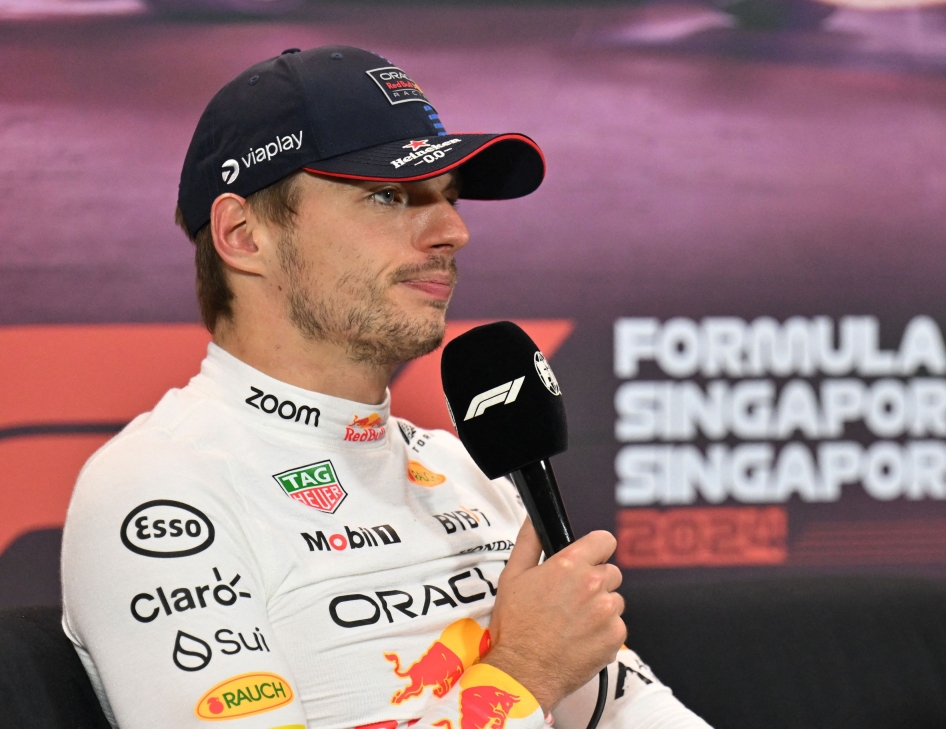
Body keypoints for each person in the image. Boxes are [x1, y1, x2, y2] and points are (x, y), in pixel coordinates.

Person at [61, 45, 711, 729]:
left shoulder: (463, 470)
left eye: (450, 198)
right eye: (388, 195)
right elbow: (538, 670)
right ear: (243, 235)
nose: (453, 231)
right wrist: (522, 675)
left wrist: (538, 667)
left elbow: (633, 710)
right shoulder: (159, 488)